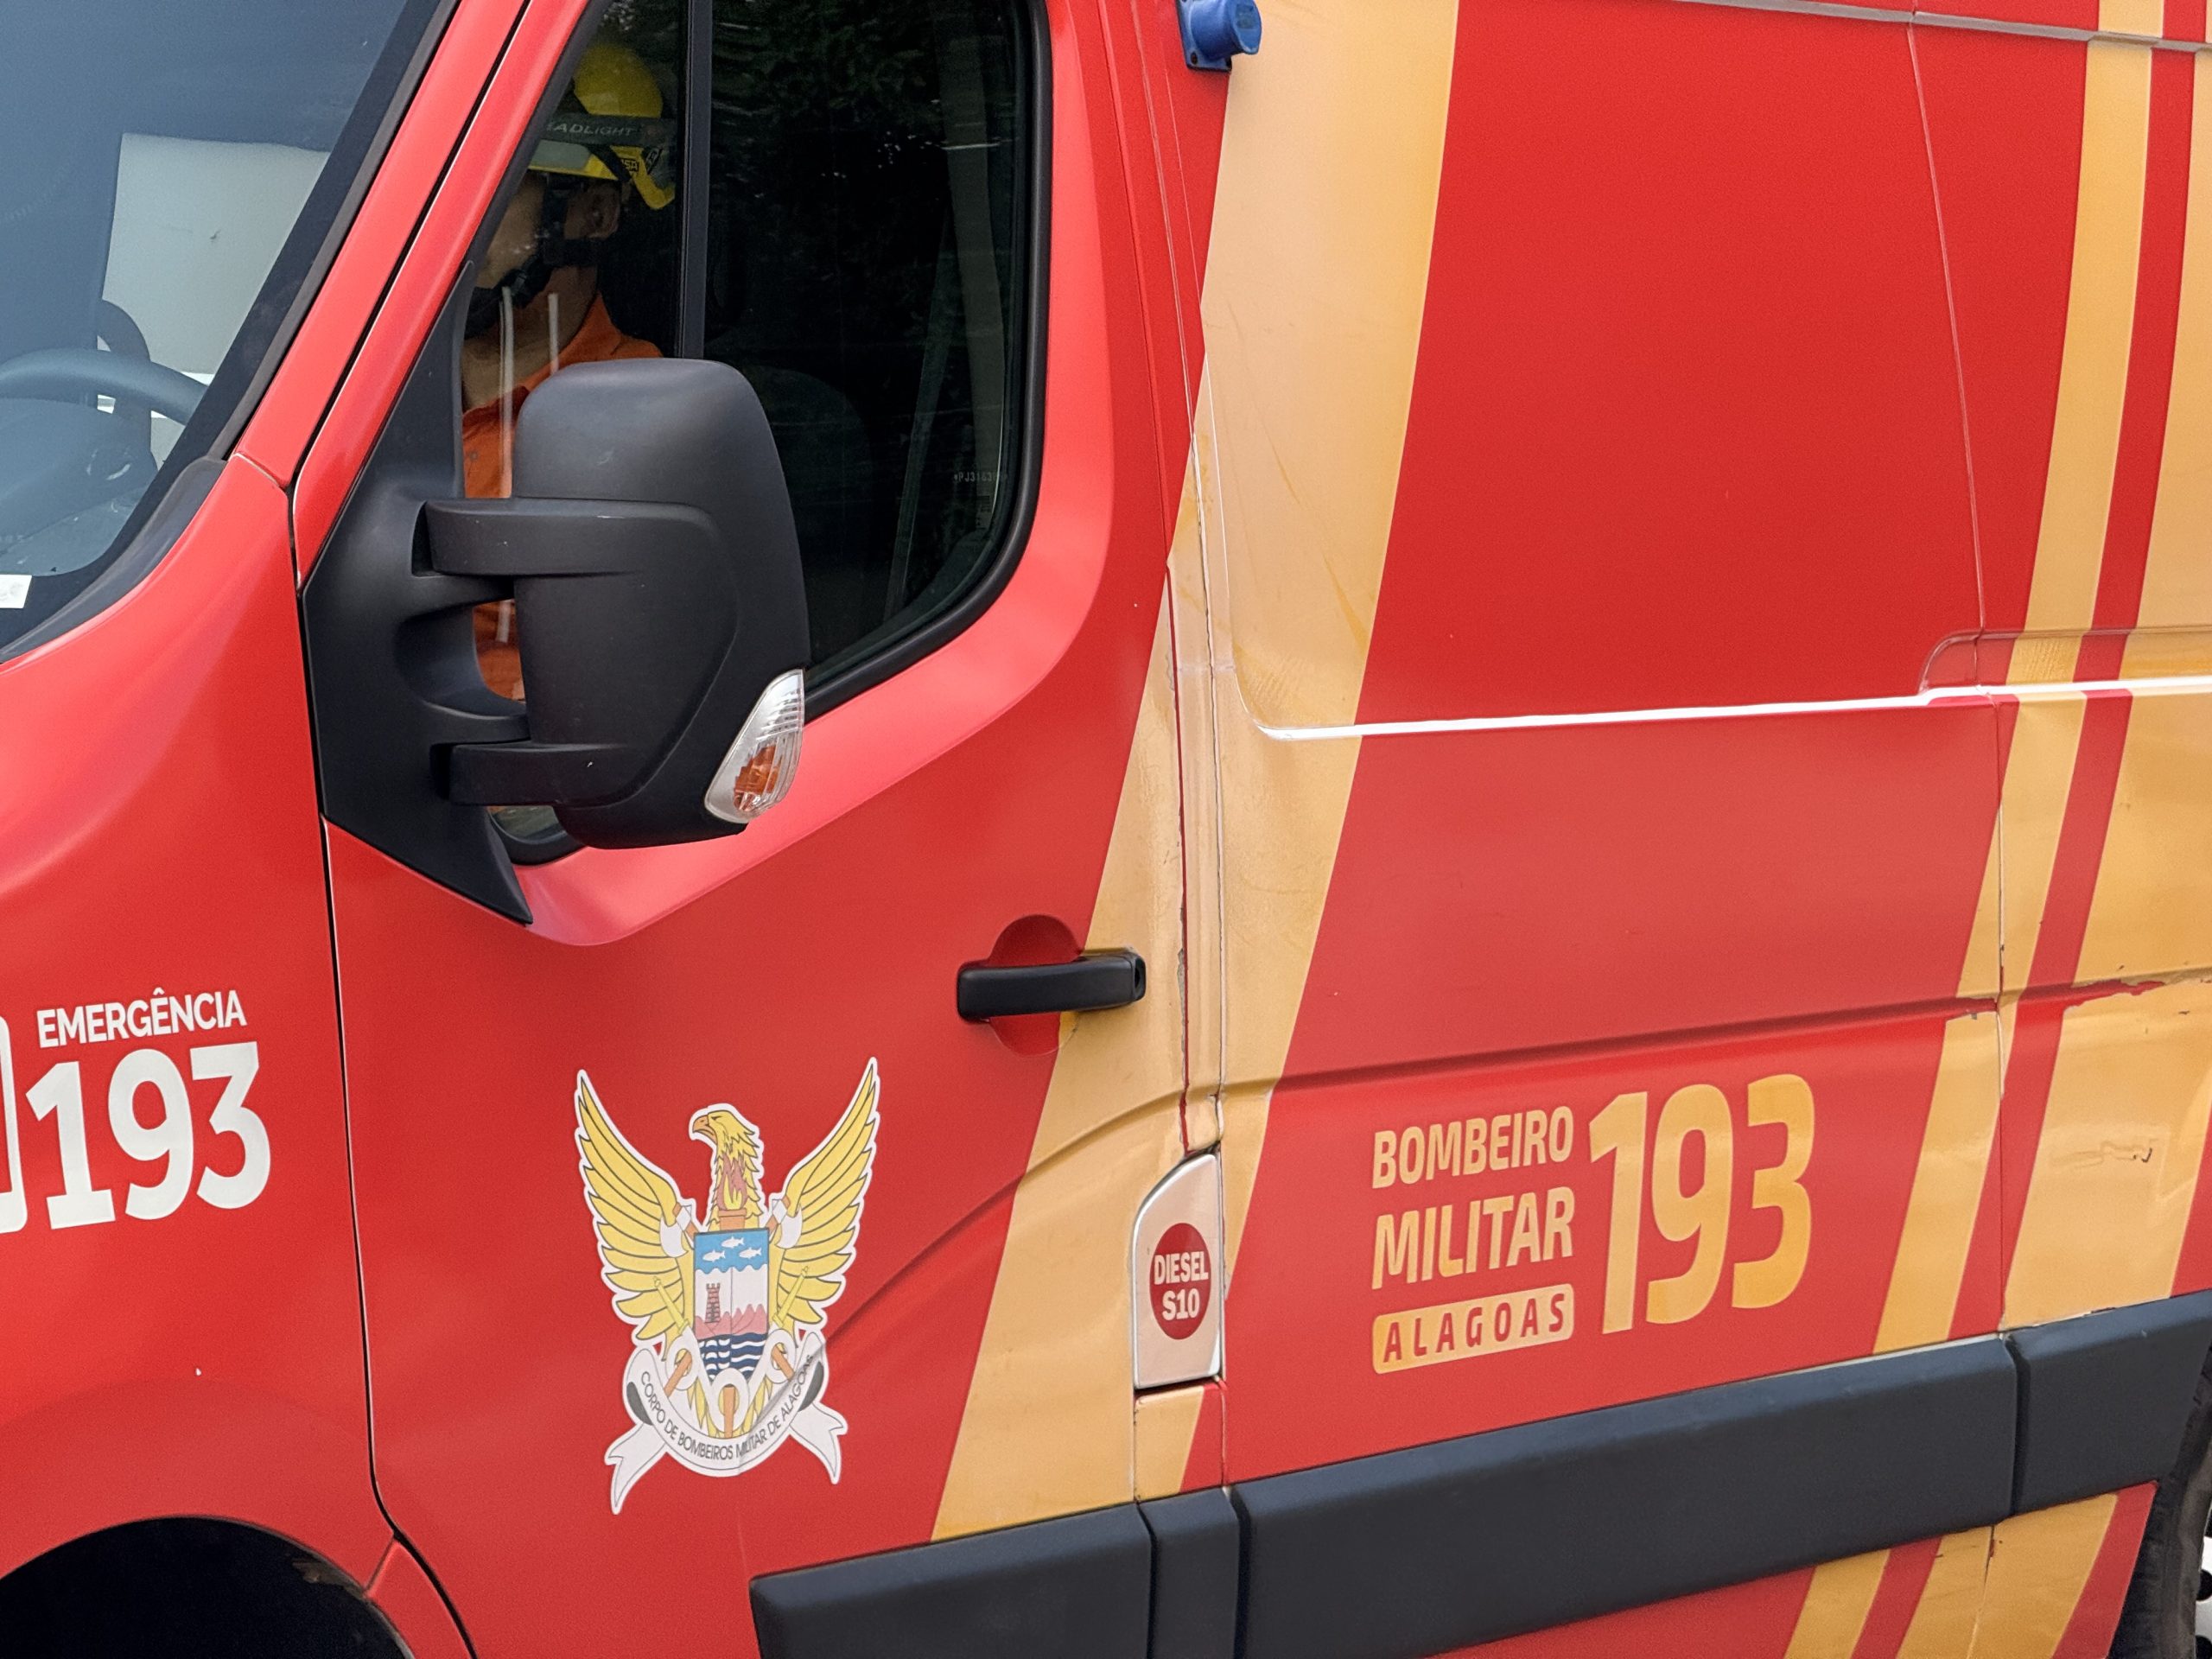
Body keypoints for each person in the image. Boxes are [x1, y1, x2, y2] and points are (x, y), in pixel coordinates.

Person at [465, 37, 673, 700]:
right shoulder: (358, 391)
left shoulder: (641, 421)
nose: (457, 216)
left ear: (595, 214)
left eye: (496, 184)